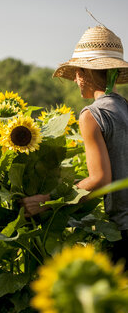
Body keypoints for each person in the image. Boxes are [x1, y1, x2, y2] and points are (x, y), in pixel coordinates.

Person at [21, 25, 128, 269]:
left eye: (77, 73)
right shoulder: (125, 108)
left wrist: (47, 201)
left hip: (124, 231)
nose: (76, 81)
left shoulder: (92, 114)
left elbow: (101, 179)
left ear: (84, 73)